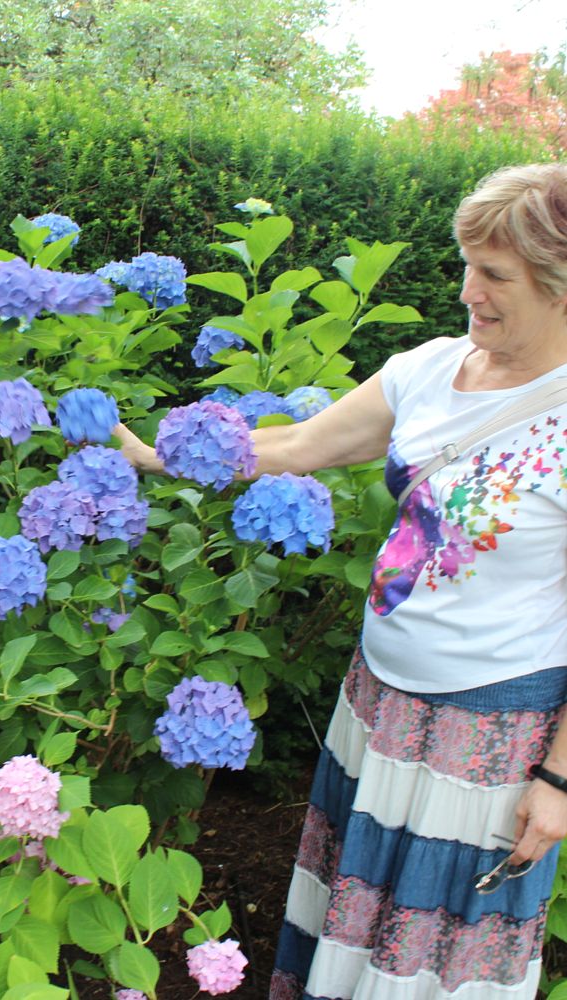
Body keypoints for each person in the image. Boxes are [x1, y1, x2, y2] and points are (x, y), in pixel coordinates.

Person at [114, 162, 567, 999]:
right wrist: (154, 453)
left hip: (489, 731)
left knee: (432, 957)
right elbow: (303, 445)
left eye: (496, 275)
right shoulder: (433, 367)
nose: (469, 290)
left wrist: (560, 781)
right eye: (468, 264)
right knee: (355, 924)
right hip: (380, 699)